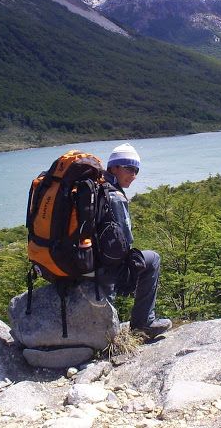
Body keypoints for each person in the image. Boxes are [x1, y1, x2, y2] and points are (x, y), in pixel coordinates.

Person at [97, 143, 172, 338]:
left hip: (81, 262)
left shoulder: (94, 187)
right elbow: (125, 240)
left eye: (136, 170)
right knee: (152, 259)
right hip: (104, 267)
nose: (134, 175)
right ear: (114, 168)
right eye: (129, 169)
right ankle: (143, 324)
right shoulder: (115, 196)